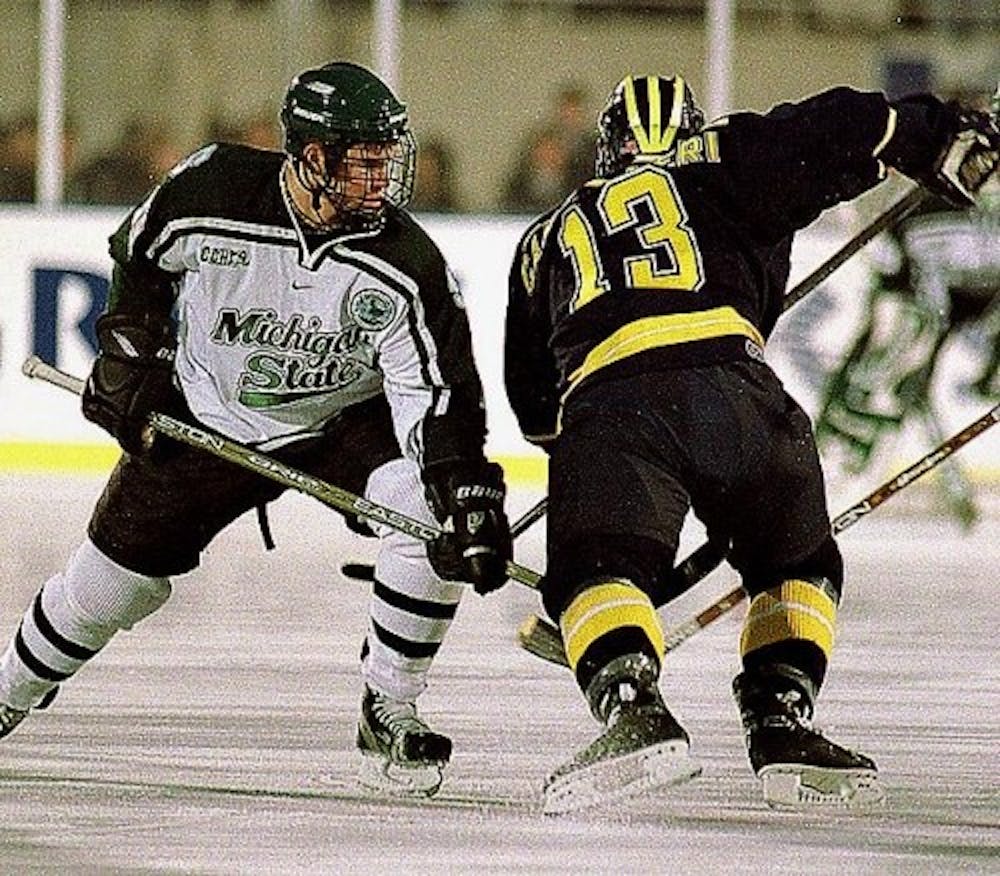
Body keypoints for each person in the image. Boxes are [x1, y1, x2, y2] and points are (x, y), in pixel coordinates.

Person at [0, 61, 513, 798]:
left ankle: (389, 705)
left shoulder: (408, 264)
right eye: (366, 162)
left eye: (385, 161)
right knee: (109, 590)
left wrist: (465, 493)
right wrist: (129, 348)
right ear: (312, 157)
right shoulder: (212, 189)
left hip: (342, 423)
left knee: (423, 506)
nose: (384, 180)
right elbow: (137, 256)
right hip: (205, 414)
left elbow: (438, 400)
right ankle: (10, 690)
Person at [505, 73, 998, 814]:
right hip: (741, 391)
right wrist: (934, 138)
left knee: (596, 570)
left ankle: (632, 704)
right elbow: (844, 122)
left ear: (607, 151)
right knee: (794, 561)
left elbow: (536, 405)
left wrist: (597, 501)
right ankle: (780, 723)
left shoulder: (543, 237)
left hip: (612, 404)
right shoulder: (722, 159)